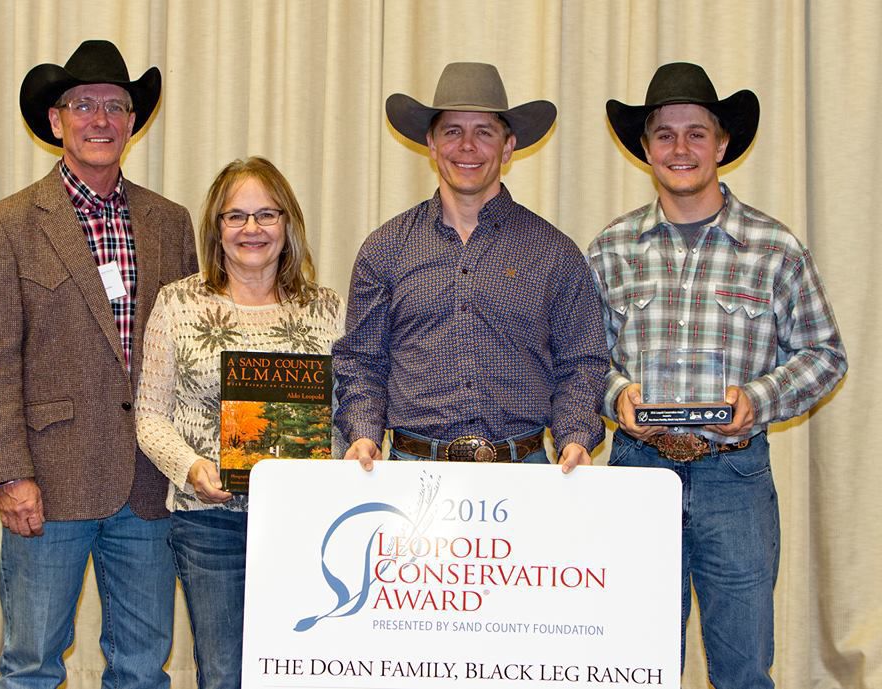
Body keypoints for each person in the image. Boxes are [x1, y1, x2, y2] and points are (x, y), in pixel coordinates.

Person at [588, 62, 847, 688]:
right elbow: (582, 359)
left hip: (734, 478)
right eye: (666, 134)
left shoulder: (774, 247)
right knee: (633, 662)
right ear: (645, 148)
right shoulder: (611, 249)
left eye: (696, 133)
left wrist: (758, 399)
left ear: (722, 144)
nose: (681, 148)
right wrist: (617, 393)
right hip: (637, 474)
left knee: (742, 669)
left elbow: (825, 353)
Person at [0, 40, 197, 687]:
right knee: (31, 662)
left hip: (149, 483)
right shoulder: (8, 224)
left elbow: (192, 350)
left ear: (132, 121)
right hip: (49, 480)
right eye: (84, 104)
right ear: (55, 121)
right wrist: (10, 474)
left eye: (116, 106)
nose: (101, 119)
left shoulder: (169, 222)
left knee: (142, 663)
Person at [333, 62, 609, 472]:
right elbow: (361, 361)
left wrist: (576, 436)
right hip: (413, 475)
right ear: (431, 143)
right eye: (452, 131)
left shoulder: (555, 253)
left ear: (508, 145)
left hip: (525, 473)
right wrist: (362, 432)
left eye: (484, 132)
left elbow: (582, 362)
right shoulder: (386, 248)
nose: (467, 146)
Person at [135, 156, 345, 688]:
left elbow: (348, 413)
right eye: (236, 216)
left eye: (266, 215)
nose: (252, 229)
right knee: (225, 672)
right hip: (210, 523)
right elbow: (151, 416)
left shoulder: (328, 310)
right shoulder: (178, 303)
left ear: (288, 224)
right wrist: (190, 469)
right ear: (216, 228)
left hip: (306, 523)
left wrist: (341, 463)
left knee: (302, 669)